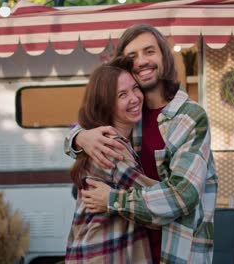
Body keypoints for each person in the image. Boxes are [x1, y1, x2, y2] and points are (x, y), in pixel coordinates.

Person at [64, 24, 218, 263]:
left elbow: (182, 195)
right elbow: (87, 121)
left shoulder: (190, 116)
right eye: (133, 56)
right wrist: (78, 137)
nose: (143, 61)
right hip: (131, 251)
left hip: (179, 250)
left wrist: (112, 200)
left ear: (164, 56)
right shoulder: (131, 114)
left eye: (149, 51)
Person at [65, 56, 159, 264]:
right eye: (122, 94)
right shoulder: (112, 147)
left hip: (91, 250)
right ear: (106, 104)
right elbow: (157, 207)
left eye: (135, 88)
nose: (134, 98)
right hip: (106, 254)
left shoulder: (97, 138)